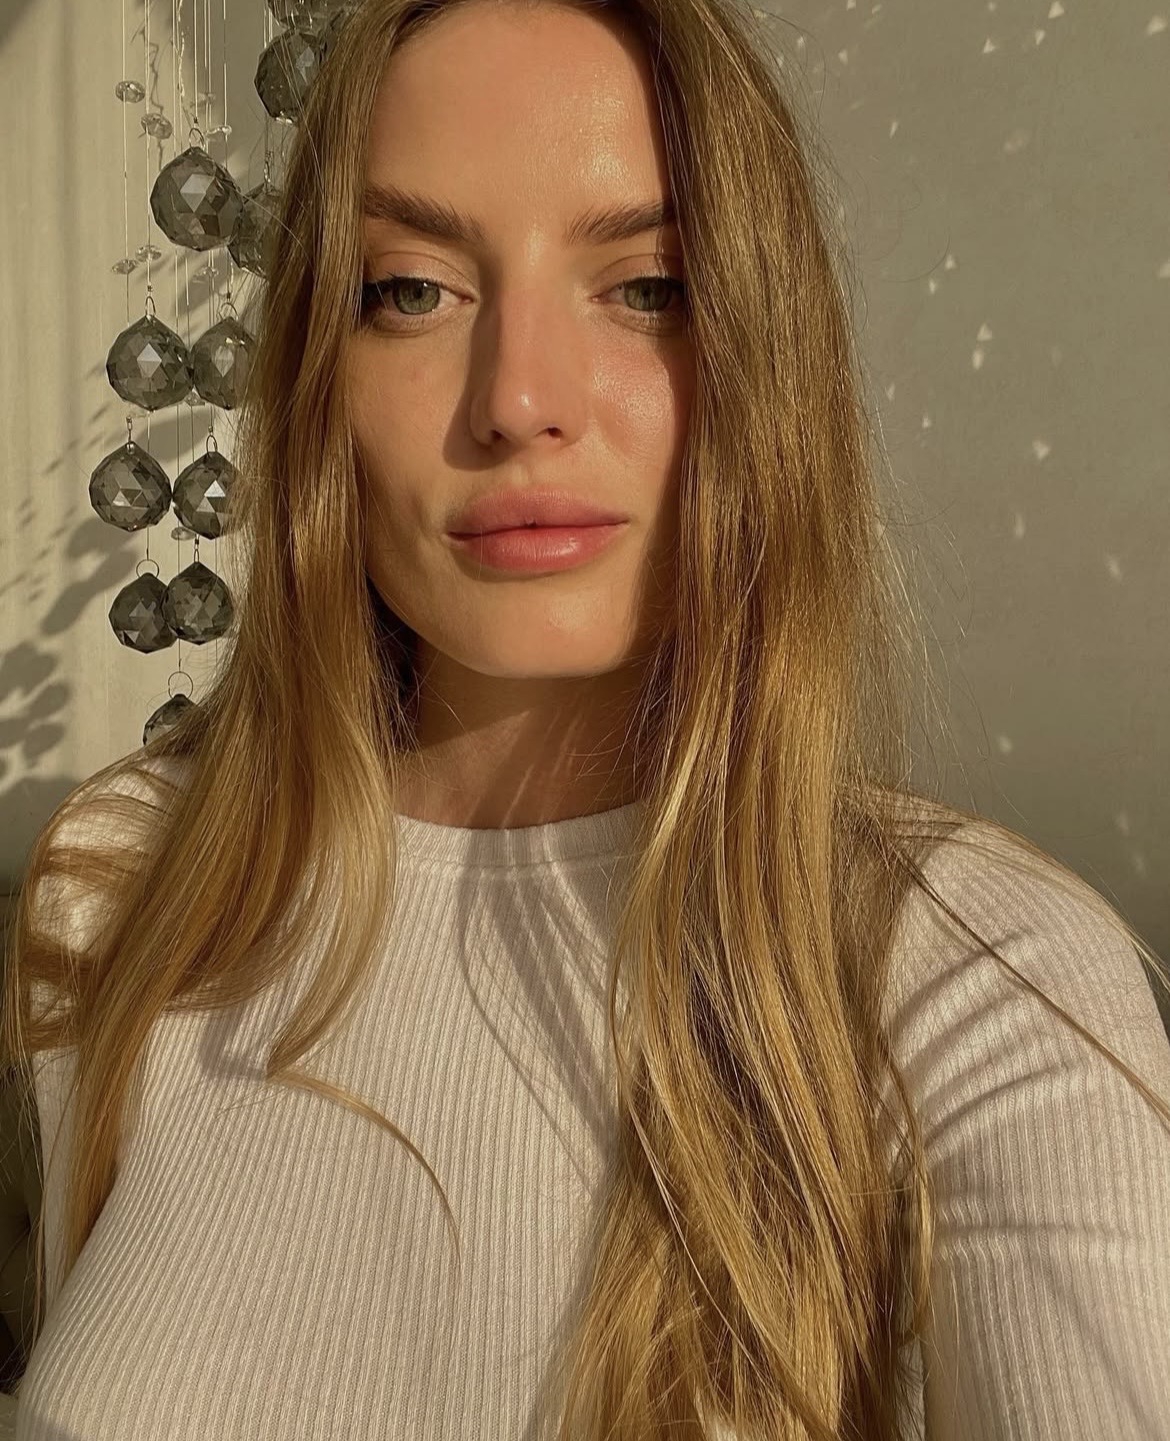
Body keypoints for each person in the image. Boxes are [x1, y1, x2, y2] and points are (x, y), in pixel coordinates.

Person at [3, 0, 1169, 1436]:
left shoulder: (978, 975)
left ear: (767, 352)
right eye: (410, 290)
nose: (518, 400)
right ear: (316, 368)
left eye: (647, 287)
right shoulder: (123, 877)